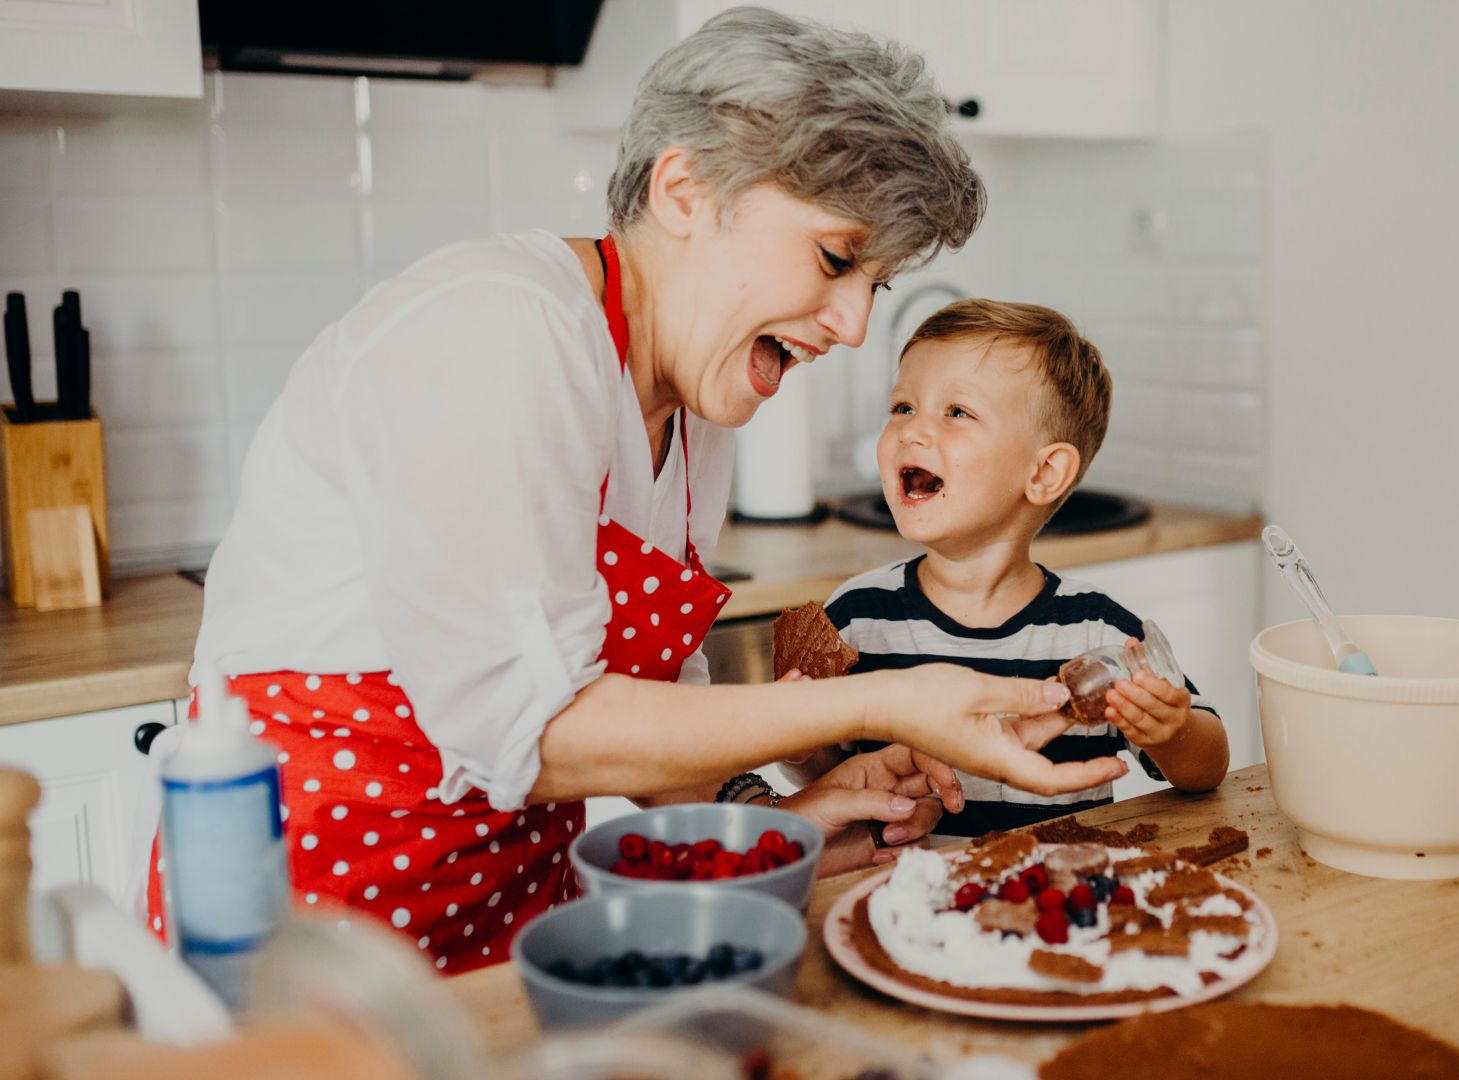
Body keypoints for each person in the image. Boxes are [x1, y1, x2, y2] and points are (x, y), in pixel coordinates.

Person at [147, 9, 1126, 975]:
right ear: (686, 189)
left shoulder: (691, 404)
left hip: (516, 921)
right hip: (307, 936)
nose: (855, 325)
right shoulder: (499, 335)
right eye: (836, 259)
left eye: (873, 283)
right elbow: (535, 735)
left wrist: (772, 825)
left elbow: (653, 716)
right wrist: (894, 700)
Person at [792, 300, 1230, 837]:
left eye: (957, 412)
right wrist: (801, 743)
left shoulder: (1098, 632)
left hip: (1053, 904)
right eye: (903, 407)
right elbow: (823, 779)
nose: (912, 431)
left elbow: (1208, 767)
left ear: (1044, 473)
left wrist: (1172, 731)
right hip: (898, 901)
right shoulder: (854, 619)